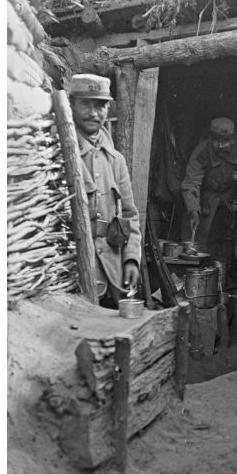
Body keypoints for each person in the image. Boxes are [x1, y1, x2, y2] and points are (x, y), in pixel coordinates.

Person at [69, 74, 141, 308]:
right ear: (71, 105)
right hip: (74, 269)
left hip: (112, 268)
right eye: (85, 104)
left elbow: (130, 215)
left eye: (100, 105)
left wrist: (131, 260)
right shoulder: (60, 154)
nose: (93, 113)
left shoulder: (115, 159)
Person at [181, 117, 237, 265]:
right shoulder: (201, 150)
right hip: (208, 199)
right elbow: (191, 182)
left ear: (233, 139)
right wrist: (193, 210)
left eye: (225, 141)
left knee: (234, 245)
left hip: (232, 199)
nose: (220, 146)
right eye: (216, 141)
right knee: (199, 243)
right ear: (210, 138)